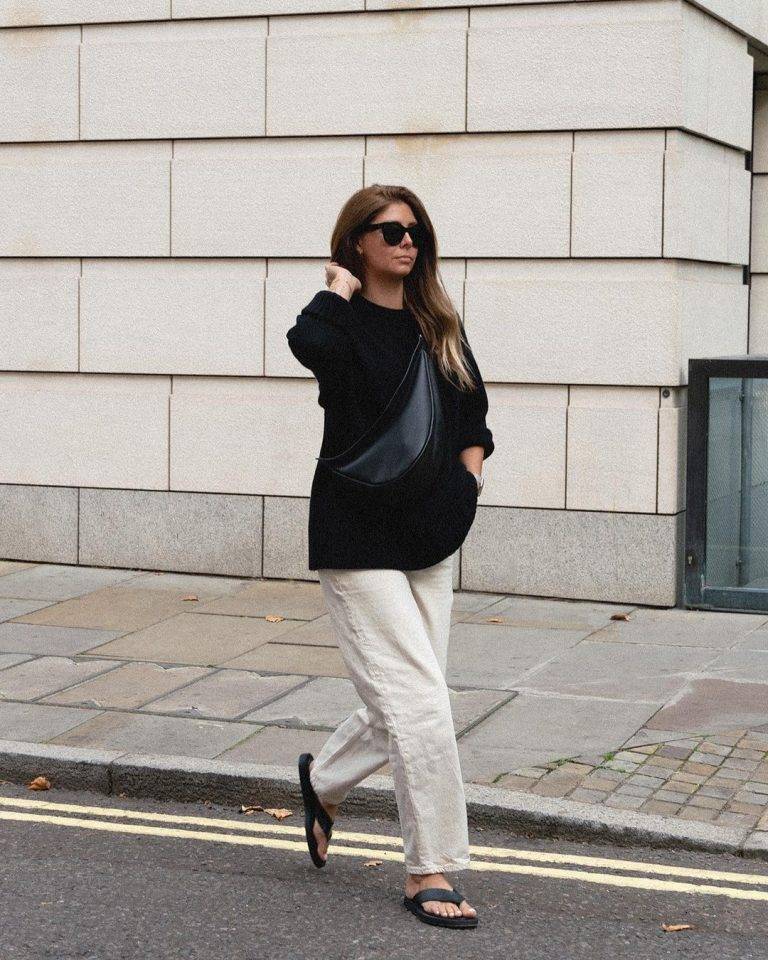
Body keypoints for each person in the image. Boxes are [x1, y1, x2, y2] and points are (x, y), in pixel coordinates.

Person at [286, 184, 494, 930]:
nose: (408, 242)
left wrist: (467, 484)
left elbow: (473, 416)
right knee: (419, 705)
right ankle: (429, 869)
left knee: (409, 698)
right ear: (358, 242)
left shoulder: (439, 324)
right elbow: (308, 346)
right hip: (356, 535)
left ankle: (323, 782)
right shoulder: (338, 324)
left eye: (415, 232)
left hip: (432, 535)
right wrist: (336, 287)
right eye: (390, 231)